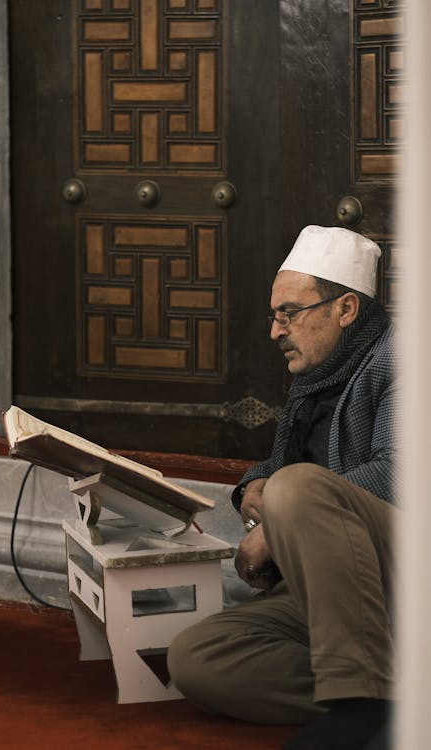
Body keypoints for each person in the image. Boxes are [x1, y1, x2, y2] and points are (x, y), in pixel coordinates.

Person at [167, 225, 398, 750]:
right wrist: (253, 486)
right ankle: (396, 693)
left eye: (288, 313)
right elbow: (289, 463)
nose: (275, 331)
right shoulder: (318, 374)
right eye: (275, 315)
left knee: (294, 488)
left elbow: (398, 473)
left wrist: (279, 518)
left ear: (344, 310)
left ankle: (363, 707)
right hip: (333, 592)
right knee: (196, 660)